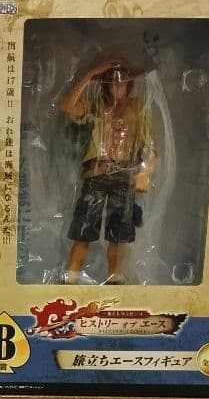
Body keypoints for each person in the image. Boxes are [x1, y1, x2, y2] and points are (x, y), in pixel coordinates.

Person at [59, 60, 157, 284]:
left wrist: (146, 172)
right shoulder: (96, 107)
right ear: (105, 85)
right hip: (96, 175)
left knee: (118, 237)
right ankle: (70, 277)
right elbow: (67, 107)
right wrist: (90, 74)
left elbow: (151, 148)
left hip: (124, 177)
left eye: (121, 83)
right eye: (112, 83)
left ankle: (114, 279)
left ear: (129, 85)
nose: (117, 88)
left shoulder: (138, 110)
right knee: (83, 232)